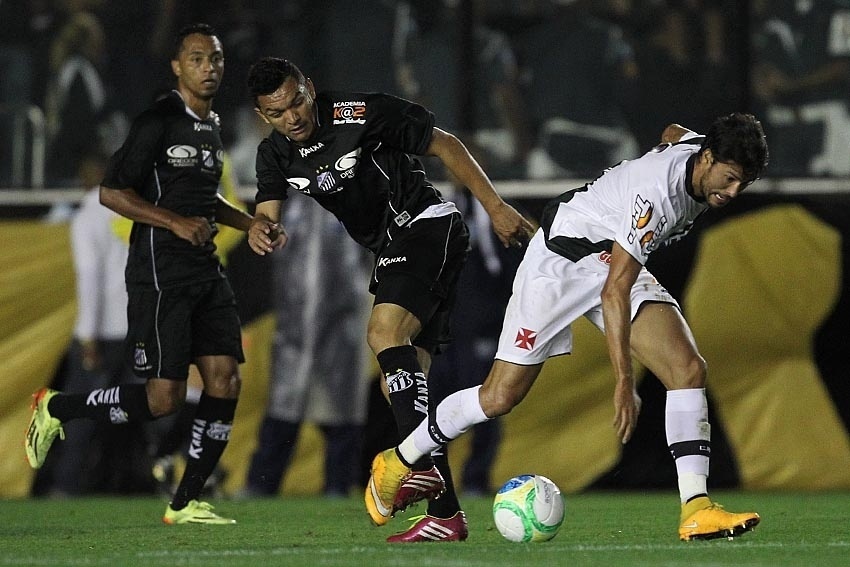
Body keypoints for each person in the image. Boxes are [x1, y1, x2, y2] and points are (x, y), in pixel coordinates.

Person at [368, 112, 769, 542]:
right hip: (559, 262)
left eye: (742, 184)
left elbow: (673, 131)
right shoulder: (656, 196)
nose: (731, 192)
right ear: (707, 158)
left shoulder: (694, 147)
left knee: (687, 368)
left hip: (607, 254)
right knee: (499, 396)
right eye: (728, 179)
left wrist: (654, 155)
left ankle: (697, 508)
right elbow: (615, 292)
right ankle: (397, 461)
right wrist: (624, 380)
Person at [245, 57, 534, 542]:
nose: (292, 117)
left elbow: (446, 144)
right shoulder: (273, 155)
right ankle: (445, 512)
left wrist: (495, 205)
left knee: (382, 333)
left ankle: (414, 465)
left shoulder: (360, 114)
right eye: (277, 112)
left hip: (426, 226)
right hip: (391, 250)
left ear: (310, 88)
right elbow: (266, 211)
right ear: (263, 116)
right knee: (399, 382)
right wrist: (261, 230)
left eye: (296, 101)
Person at [25, 23, 254, 525]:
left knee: (225, 380)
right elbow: (111, 192)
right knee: (163, 399)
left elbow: (204, 201)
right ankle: (59, 409)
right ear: (177, 67)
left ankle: (186, 499)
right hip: (159, 273)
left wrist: (250, 223)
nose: (208, 68)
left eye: (215, 59)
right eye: (196, 59)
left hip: (204, 271)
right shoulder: (157, 121)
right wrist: (174, 222)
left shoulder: (211, 128)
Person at [243, 196, 372, 498]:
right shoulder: (290, 202)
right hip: (294, 326)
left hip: (343, 325)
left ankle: (338, 488)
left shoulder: (357, 199)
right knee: (283, 410)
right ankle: (260, 486)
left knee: (343, 415)